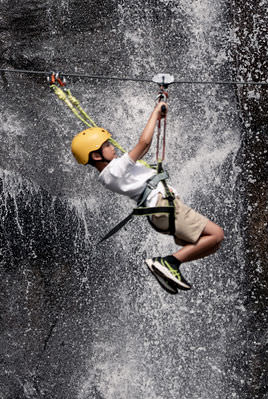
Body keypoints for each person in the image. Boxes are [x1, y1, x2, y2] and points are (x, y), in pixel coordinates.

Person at [70, 100, 224, 293]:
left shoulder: (111, 172)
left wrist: (158, 114)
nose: (112, 147)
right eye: (106, 145)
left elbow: (144, 148)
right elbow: (144, 143)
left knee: (212, 244)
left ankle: (169, 267)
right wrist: (155, 113)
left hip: (162, 213)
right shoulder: (114, 170)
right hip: (165, 209)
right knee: (217, 234)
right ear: (96, 156)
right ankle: (168, 263)